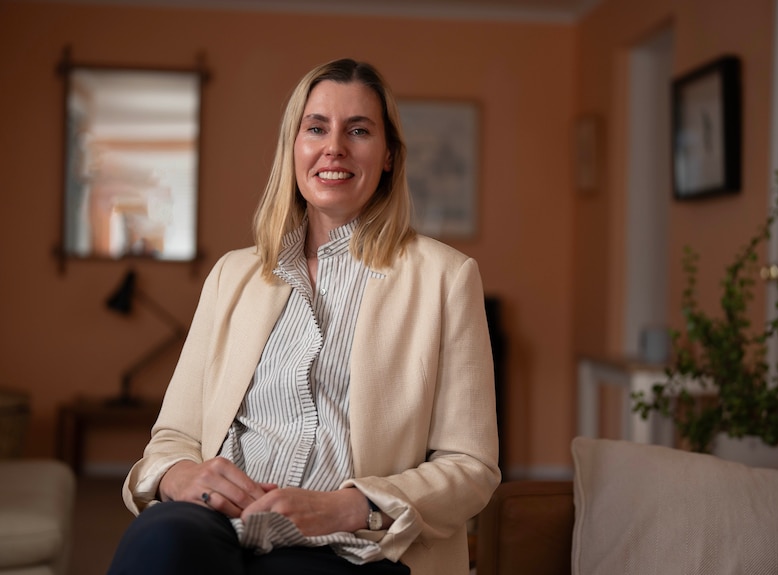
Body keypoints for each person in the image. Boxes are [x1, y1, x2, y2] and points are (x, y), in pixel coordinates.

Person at [107, 58, 501, 575]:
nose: (333, 147)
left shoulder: (446, 278)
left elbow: (471, 468)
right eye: (316, 128)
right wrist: (180, 475)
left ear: (388, 156)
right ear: (294, 147)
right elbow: (174, 434)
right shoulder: (232, 275)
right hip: (221, 521)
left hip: (352, 544)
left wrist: (349, 505)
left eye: (358, 131)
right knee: (156, 542)